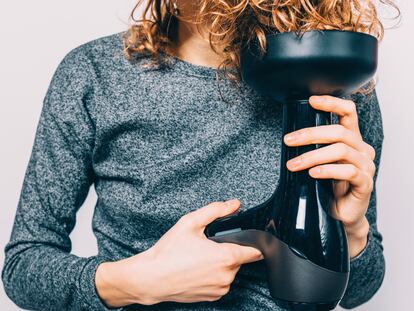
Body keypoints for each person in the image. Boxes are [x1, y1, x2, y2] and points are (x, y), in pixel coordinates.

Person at [2, 0, 395, 310]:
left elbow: (361, 289)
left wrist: (353, 230)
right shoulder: (94, 73)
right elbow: (24, 265)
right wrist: (135, 282)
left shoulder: (333, 79)